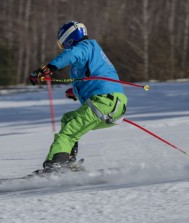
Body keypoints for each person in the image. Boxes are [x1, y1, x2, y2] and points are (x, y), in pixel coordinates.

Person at [29, 21, 128, 173]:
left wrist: (46, 69)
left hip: (103, 102)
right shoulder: (92, 53)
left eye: (62, 44)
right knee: (68, 119)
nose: (63, 48)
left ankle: (55, 166)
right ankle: (67, 160)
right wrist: (75, 92)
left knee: (67, 133)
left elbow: (71, 54)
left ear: (69, 39)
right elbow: (94, 79)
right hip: (111, 103)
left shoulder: (85, 47)